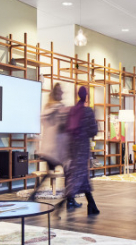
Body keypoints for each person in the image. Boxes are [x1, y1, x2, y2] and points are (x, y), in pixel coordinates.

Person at [65, 86, 100, 214]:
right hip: (83, 146)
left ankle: (90, 204)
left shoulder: (72, 111)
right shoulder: (88, 111)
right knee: (79, 175)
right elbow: (93, 131)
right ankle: (69, 198)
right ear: (86, 96)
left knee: (79, 174)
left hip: (71, 146)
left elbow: (66, 128)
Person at [32, 83, 68, 202]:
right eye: (60, 91)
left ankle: (34, 194)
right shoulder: (59, 108)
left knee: (49, 173)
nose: (62, 93)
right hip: (57, 149)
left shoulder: (47, 108)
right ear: (57, 94)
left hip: (47, 149)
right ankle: (68, 200)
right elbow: (64, 127)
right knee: (69, 172)